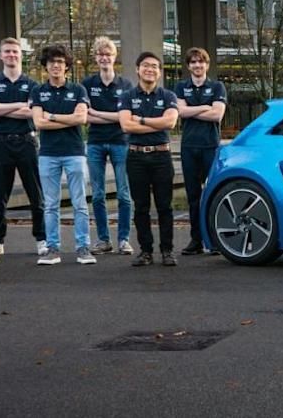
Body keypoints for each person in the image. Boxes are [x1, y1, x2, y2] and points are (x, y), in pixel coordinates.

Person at [30, 45, 94, 266]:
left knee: (80, 204)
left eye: (60, 62)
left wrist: (52, 116)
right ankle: (52, 248)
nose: (56, 65)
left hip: (74, 153)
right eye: (51, 62)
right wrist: (66, 118)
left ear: (66, 66)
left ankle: (83, 247)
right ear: (46, 66)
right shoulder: (38, 91)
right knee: (50, 205)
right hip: (48, 154)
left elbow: (81, 119)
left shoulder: (78, 90)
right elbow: (38, 123)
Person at [0, 37, 46, 257]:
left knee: (36, 195)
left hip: (27, 142)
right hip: (0, 142)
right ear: (1, 55)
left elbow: (33, 112)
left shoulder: (33, 85)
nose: (11, 55)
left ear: (21, 55)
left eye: (15, 51)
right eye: (7, 51)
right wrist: (21, 105)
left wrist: (3, 108)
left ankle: (41, 238)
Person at [119, 52, 180, 267]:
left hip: (161, 156)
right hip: (136, 156)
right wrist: (156, 122)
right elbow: (126, 125)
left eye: (154, 66)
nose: (150, 69)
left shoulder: (168, 96)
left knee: (165, 206)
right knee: (141, 206)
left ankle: (167, 250)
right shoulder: (127, 96)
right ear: (137, 69)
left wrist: (142, 120)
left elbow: (170, 123)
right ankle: (145, 251)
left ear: (159, 72)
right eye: (145, 65)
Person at [173, 47, 228, 255]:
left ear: (207, 64)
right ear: (189, 66)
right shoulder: (181, 86)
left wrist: (191, 111)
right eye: (193, 62)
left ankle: (214, 240)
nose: (197, 65)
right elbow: (179, 112)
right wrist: (205, 107)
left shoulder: (217, 86)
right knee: (193, 195)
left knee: (214, 193)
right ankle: (196, 240)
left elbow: (217, 115)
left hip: (210, 146)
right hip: (189, 147)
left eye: (201, 62)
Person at [83, 37, 135, 255]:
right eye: (101, 54)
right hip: (95, 142)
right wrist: (114, 116)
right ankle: (104, 240)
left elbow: (126, 118)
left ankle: (124, 239)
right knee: (97, 194)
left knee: (123, 193)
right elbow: (84, 117)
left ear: (115, 57)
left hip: (120, 142)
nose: (104, 58)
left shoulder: (126, 85)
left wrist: (97, 113)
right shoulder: (87, 85)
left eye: (108, 54)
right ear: (96, 58)